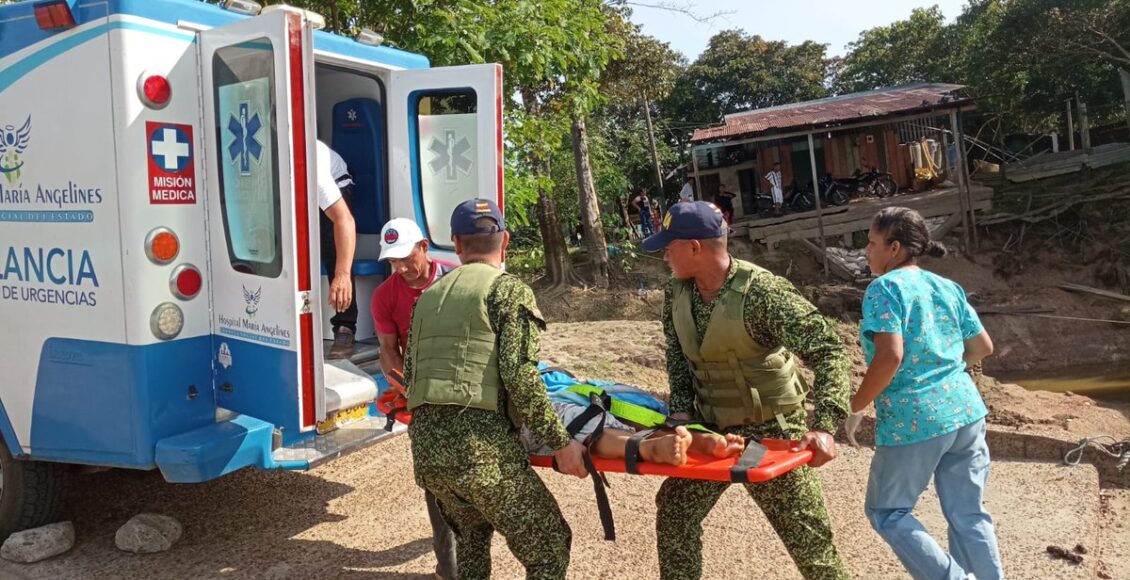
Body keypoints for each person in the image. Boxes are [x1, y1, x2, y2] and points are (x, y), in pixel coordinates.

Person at [644, 201, 851, 580]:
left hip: (772, 431)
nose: (664, 255)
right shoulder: (677, 294)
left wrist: (824, 425)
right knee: (675, 510)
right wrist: (680, 415)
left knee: (810, 546)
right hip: (714, 430)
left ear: (694, 247)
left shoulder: (763, 293)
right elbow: (678, 359)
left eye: (669, 246)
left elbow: (829, 350)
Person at [404, 198, 588, 580]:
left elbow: (411, 379)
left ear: (455, 244)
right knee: (550, 545)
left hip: (429, 458)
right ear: (504, 241)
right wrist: (561, 443)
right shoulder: (508, 291)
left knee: (472, 542)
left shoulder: (427, 300)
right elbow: (520, 377)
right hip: (480, 455)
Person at [848, 207, 1003, 580]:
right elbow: (983, 346)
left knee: (887, 512)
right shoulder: (946, 286)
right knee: (968, 512)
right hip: (966, 410)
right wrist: (945, 370)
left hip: (914, 418)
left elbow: (891, 356)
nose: (866, 251)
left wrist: (857, 406)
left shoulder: (884, 288)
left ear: (895, 248)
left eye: (871, 243)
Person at [370, 217, 457, 579]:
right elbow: (388, 351)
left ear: (424, 246)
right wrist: (409, 389)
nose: (401, 267)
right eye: (393, 261)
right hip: (422, 396)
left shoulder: (457, 278)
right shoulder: (385, 296)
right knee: (437, 481)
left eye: (406, 257)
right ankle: (448, 567)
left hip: (470, 392)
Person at [316, 141, 358, 359]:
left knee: (332, 243)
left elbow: (344, 220)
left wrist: (342, 276)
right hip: (299, 194)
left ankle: (345, 326)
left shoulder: (311, 164)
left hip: (338, 182)